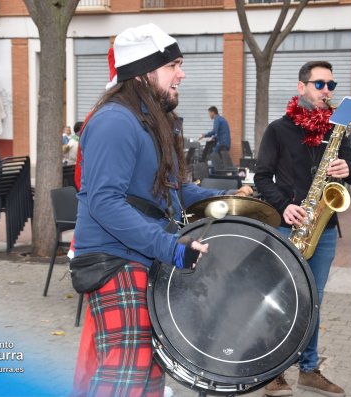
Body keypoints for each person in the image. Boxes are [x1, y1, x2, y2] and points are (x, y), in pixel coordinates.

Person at [72, 24, 251, 397]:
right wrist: (173, 249)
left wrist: (235, 200)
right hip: (115, 260)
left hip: (137, 256)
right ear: (144, 72)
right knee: (127, 376)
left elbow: (172, 190)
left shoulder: (148, 120)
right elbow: (105, 203)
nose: (181, 74)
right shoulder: (114, 122)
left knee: (147, 376)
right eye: (174, 66)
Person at [254, 60, 351, 397]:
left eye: (331, 84)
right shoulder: (278, 129)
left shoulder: (336, 128)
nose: (327, 90)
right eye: (319, 84)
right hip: (290, 227)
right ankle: (272, 372)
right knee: (282, 299)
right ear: (301, 87)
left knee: (314, 300)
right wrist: (284, 205)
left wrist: (349, 168)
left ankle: (309, 369)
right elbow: (261, 177)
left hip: (324, 227)